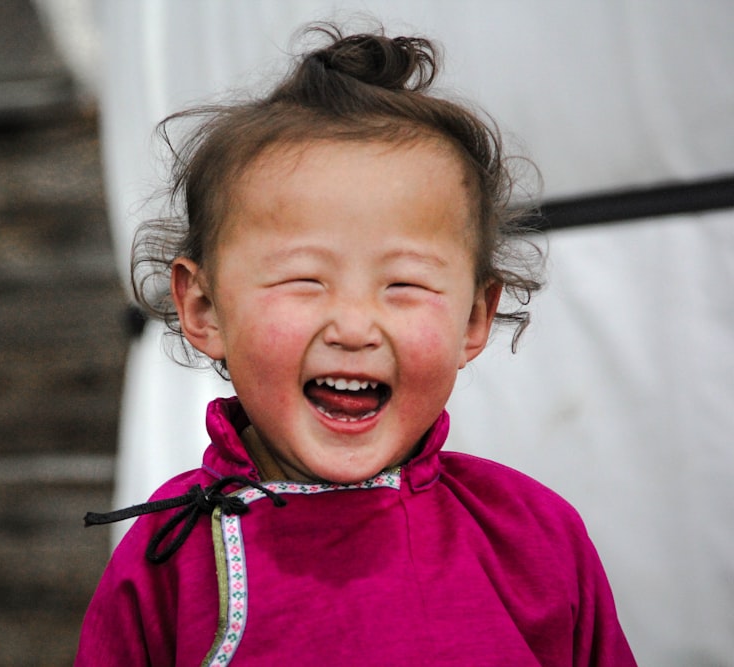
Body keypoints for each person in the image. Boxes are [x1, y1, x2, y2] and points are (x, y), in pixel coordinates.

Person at [76, 24, 636, 666]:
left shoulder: (531, 539)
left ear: (476, 315)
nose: (353, 327)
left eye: (404, 284)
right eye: (303, 281)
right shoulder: (169, 562)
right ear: (204, 309)